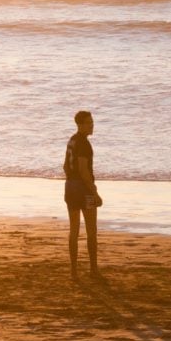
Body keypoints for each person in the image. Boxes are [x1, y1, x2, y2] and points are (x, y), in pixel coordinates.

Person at [64, 110, 102, 279]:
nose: (92, 125)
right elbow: (83, 170)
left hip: (70, 187)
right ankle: (93, 269)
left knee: (74, 231)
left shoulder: (71, 141)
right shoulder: (84, 144)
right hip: (83, 189)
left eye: (92, 122)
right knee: (91, 230)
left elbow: (66, 166)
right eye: (88, 122)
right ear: (80, 125)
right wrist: (94, 192)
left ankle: (73, 271)